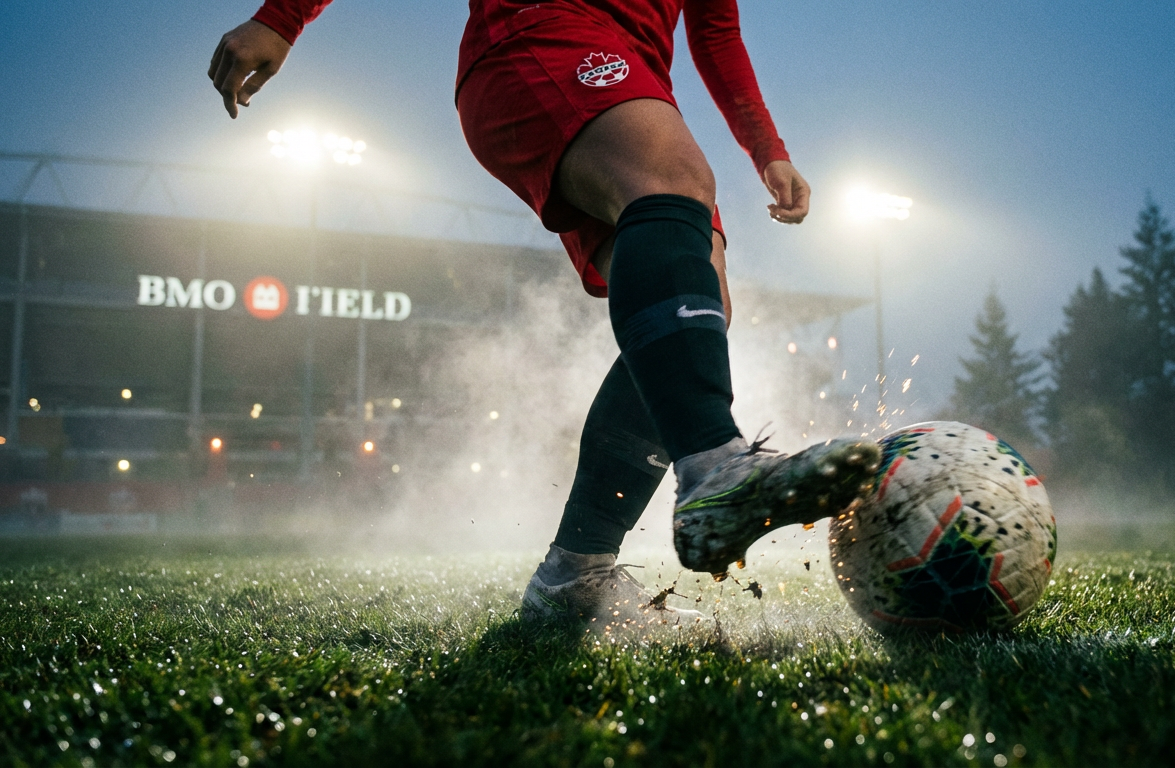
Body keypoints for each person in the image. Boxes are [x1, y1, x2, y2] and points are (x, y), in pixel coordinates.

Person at [209, 0, 880, 636]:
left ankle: (574, 576)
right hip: (540, 35)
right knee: (674, 185)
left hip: (627, 75)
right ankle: (715, 469)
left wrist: (768, 149)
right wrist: (282, 18)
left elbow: (715, 31)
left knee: (702, 302)